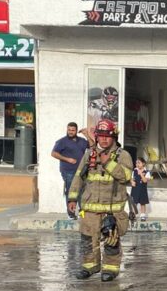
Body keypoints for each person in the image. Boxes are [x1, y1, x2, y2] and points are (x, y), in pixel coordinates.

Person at [67, 119, 134, 282]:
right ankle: (90, 266)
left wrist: (108, 163)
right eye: (100, 135)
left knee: (112, 240)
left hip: (112, 210)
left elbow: (126, 176)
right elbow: (78, 177)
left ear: (114, 137)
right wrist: (72, 198)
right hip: (90, 207)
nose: (103, 139)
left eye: (107, 136)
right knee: (87, 239)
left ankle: (110, 269)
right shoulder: (89, 154)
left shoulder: (123, 155)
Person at [51, 122, 90, 219]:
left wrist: (86, 134)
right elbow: (54, 153)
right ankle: (71, 214)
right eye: (69, 130)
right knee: (71, 192)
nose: (70, 132)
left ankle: (82, 214)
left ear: (76, 131)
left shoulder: (81, 141)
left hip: (81, 171)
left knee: (82, 192)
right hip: (68, 171)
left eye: (73, 130)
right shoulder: (62, 141)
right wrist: (67, 159)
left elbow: (92, 146)